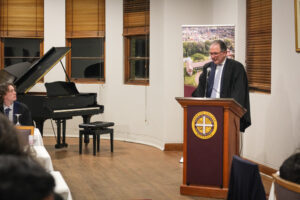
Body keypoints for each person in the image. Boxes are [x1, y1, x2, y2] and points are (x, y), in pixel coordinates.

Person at [192, 40, 251, 132]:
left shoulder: (236, 68)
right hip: (208, 112)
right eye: (211, 54)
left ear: (224, 53)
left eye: (215, 53)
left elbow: (239, 93)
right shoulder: (208, 67)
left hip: (227, 112)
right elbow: (201, 89)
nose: (212, 57)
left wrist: (231, 111)